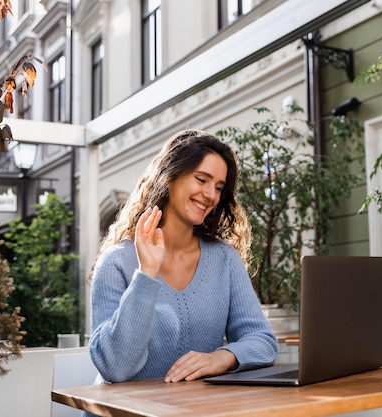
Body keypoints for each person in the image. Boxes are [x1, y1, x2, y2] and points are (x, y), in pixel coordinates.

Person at [84, 129, 278, 410]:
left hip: (194, 412)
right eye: (202, 179)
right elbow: (116, 368)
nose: (211, 195)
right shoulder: (116, 263)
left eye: (219, 187)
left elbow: (262, 341)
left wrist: (221, 357)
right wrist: (147, 274)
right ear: (170, 176)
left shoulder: (224, 260)